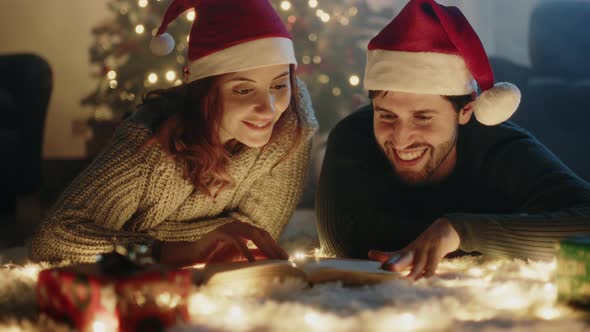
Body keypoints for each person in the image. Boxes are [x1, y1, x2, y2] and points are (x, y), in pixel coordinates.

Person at [316, 0, 590, 280]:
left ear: (465, 111)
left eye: (423, 117)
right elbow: (344, 239)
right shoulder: (352, 136)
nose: (400, 138)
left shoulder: (499, 144)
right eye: (386, 116)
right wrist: (511, 237)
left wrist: (460, 231)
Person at [30, 0, 317, 267]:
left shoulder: (291, 121)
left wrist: (140, 232)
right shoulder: (148, 144)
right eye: (243, 89)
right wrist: (166, 250)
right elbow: (54, 240)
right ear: (204, 91)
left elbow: (256, 235)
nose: (268, 108)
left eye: (279, 85)